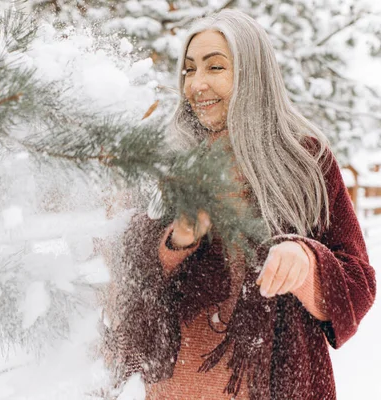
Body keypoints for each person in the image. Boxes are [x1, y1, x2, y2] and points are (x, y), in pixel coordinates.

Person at [104, 9, 376, 400]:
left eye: (215, 67)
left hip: (276, 387)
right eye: (189, 70)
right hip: (170, 388)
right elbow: (121, 270)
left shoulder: (305, 161)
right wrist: (174, 241)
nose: (197, 84)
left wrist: (306, 262)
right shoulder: (168, 160)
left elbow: (358, 283)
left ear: (253, 73)